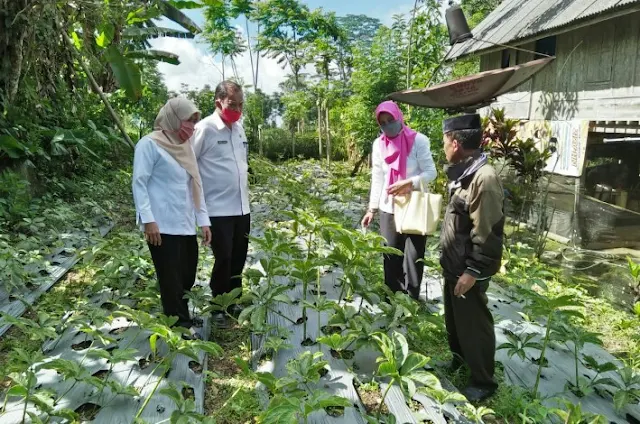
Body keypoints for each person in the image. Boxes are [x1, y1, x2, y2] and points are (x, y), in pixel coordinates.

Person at [132, 97, 212, 340]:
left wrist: (204, 220)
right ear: (174, 119)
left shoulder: (185, 147)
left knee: (187, 274)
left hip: (185, 223)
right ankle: (178, 324)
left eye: (195, 121)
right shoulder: (149, 144)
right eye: (190, 120)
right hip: (161, 225)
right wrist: (148, 220)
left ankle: (183, 314)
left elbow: (195, 186)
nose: (192, 126)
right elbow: (139, 183)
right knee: (171, 277)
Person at [439, 113, 505, 402]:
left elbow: (487, 231)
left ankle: (483, 382)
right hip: (455, 264)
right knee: (455, 322)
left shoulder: (484, 179)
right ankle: (459, 361)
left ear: (455, 143)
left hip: (468, 269)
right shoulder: (464, 173)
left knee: (474, 324)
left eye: (444, 142)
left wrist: (473, 271)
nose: (443, 148)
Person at [361, 100, 437, 300]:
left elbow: (431, 172)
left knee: (413, 256)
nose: (387, 125)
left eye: (390, 120)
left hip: (414, 205)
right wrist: (372, 209)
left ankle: (411, 300)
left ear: (399, 117)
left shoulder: (419, 140)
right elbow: (378, 177)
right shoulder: (379, 145)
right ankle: (391, 298)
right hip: (389, 207)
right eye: (383, 123)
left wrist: (410, 183)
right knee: (390, 255)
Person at [192, 81, 250, 329]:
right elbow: (189, 165)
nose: (237, 109)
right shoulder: (204, 129)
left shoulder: (239, 128)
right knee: (223, 256)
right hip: (217, 208)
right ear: (218, 103)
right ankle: (218, 305)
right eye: (232, 105)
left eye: (240, 104)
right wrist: (198, 209)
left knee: (239, 256)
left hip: (242, 207)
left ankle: (235, 301)